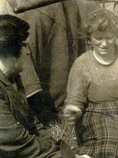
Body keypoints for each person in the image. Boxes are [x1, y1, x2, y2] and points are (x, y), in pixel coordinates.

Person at [62, 9, 118, 158]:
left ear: (117, 36)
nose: (104, 43)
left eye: (109, 38)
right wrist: (73, 111)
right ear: (90, 38)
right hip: (96, 115)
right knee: (111, 142)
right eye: (98, 38)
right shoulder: (81, 64)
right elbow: (75, 102)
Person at [0, 14, 89, 158]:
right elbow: (15, 141)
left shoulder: (14, 78)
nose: (28, 52)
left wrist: (58, 149)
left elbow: (32, 123)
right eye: (24, 46)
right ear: (11, 52)